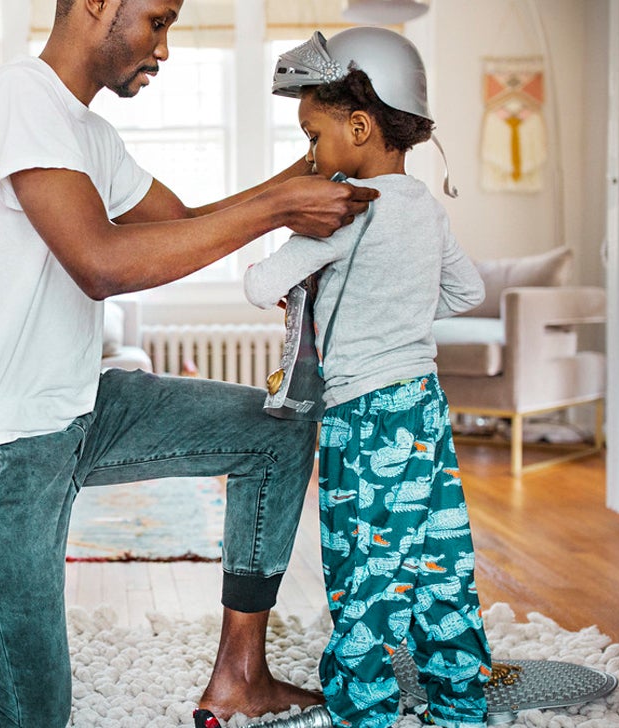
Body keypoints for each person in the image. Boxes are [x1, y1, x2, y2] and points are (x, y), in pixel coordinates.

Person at [0, 1, 377, 726]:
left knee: (276, 431)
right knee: (31, 717)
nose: (164, 49)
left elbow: (180, 224)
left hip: (82, 406)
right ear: (98, 4)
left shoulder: (89, 133)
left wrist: (315, 161)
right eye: (158, 21)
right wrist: (277, 209)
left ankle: (242, 674)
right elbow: (100, 264)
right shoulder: (21, 99)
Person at [244, 28, 492, 728]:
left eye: (314, 137)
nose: (310, 156)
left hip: (366, 414)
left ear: (359, 126)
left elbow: (262, 285)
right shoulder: (425, 209)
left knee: (366, 565)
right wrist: (403, 299)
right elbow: (466, 292)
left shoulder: (344, 206)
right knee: (441, 559)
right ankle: (461, 703)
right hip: (425, 406)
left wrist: (297, 208)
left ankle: (364, 711)